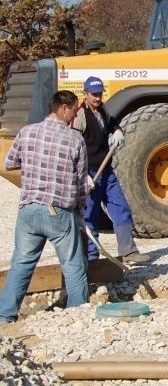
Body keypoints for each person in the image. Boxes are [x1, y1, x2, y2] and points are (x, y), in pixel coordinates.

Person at [0, 91, 89, 323]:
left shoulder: (27, 132)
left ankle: (4, 315)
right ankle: (79, 314)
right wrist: (80, 212)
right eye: (74, 110)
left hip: (29, 209)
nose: (76, 115)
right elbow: (81, 183)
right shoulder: (75, 140)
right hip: (59, 211)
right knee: (73, 264)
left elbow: (9, 163)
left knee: (21, 263)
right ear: (63, 108)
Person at [72, 77, 149, 264]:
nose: (98, 97)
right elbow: (73, 145)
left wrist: (117, 130)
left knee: (120, 207)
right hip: (89, 173)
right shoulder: (81, 115)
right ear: (85, 94)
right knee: (90, 215)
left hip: (106, 171)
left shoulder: (103, 110)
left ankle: (128, 251)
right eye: (94, 94)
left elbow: (112, 122)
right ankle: (91, 258)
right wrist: (81, 176)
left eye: (99, 93)